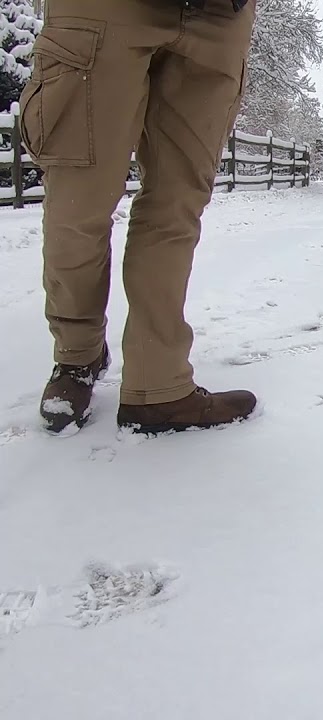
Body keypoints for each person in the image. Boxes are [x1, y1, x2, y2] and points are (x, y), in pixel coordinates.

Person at [24, 0, 259, 436]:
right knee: (78, 203)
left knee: (177, 208)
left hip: (221, 14)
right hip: (103, 8)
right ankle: (77, 356)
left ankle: (159, 385)